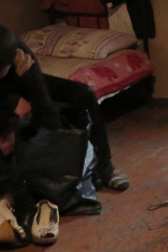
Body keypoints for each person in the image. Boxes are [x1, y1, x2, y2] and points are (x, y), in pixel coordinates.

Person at [0, 25, 129, 194]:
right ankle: (10, 178)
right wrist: (11, 101)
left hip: (18, 82)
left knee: (83, 94)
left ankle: (103, 167)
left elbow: (39, 92)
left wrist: (52, 126)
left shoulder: (16, 50)